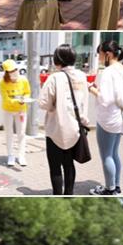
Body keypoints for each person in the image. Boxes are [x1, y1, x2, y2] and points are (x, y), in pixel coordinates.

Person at [38, 44, 89, 195]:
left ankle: (57, 196)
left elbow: (44, 103)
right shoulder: (81, 76)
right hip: (75, 129)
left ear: (57, 60)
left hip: (56, 129)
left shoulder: (54, 78)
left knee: (55, 167)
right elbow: (84, 100)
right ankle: (69, 194)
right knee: (69, 165)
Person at [88, 41, 123, 196]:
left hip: (108, 118)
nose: (100, 58)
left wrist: (92, 89)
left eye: (100, 54)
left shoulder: (108, 72)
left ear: (108, 54)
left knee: (106, 155)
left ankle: (109, 189)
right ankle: (116, 186)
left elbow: (106, 99)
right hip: (120, 118)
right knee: (114, 153)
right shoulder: (122, 69)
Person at [0, 59, 30, 167]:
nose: (15, 72)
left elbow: (27, 92)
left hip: (21, 110)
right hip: (8, 110)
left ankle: (21, 156)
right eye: (12, 70)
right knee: (9, 133)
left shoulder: (23, 80)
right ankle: (10, 155)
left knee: (21, 133)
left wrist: (24, 99)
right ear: (7, 72)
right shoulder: (2, 83)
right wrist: (17, 100)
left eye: (15, 69)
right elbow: (6, 99)